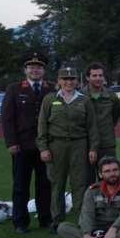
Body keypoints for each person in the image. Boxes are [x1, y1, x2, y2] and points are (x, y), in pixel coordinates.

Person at [37, 66, 98, 227]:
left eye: (72, 79)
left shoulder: (84, 100)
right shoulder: (50, 99)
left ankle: (81, 219)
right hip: (56, 145)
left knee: (79, 183)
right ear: (59, 81)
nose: (68, 82)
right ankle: (57, 220)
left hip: (79, 145)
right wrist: (43, 148)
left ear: (77, 81)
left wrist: (93, 148)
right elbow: (42, 125)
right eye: (65, 79)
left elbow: (92, 127)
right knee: (57, 183)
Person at [2, 53, 54, 233]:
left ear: (44, 70)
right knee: (20, 186)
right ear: (25, 70)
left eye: (39, 67)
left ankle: (45, 219)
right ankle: (20, 222)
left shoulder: (52, 89)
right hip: (22, 146)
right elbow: (7, 119)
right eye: (31, 67)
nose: (35, 70)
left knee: (45, 185)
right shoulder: (14, 89)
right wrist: (11, 142)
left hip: (46, 147)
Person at [56, 156, 120, 238]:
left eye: (115, 170)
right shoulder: (92, 191)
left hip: (118, 229)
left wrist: (113, 229)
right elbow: (86, 214)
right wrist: (86, 235)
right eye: (107, 171)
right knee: (62, 228)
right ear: (100, 174)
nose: (112, 174)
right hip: (95, 230)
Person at [83, 63, 120, 175]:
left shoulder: (111, 96)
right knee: (87, 180)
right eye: (94, 75)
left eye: (100, 75)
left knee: (108, 179)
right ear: (87, 77)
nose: (98, 78)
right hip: (86, 145)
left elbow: (115, 116)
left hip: (107, 144)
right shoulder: (80, 96)